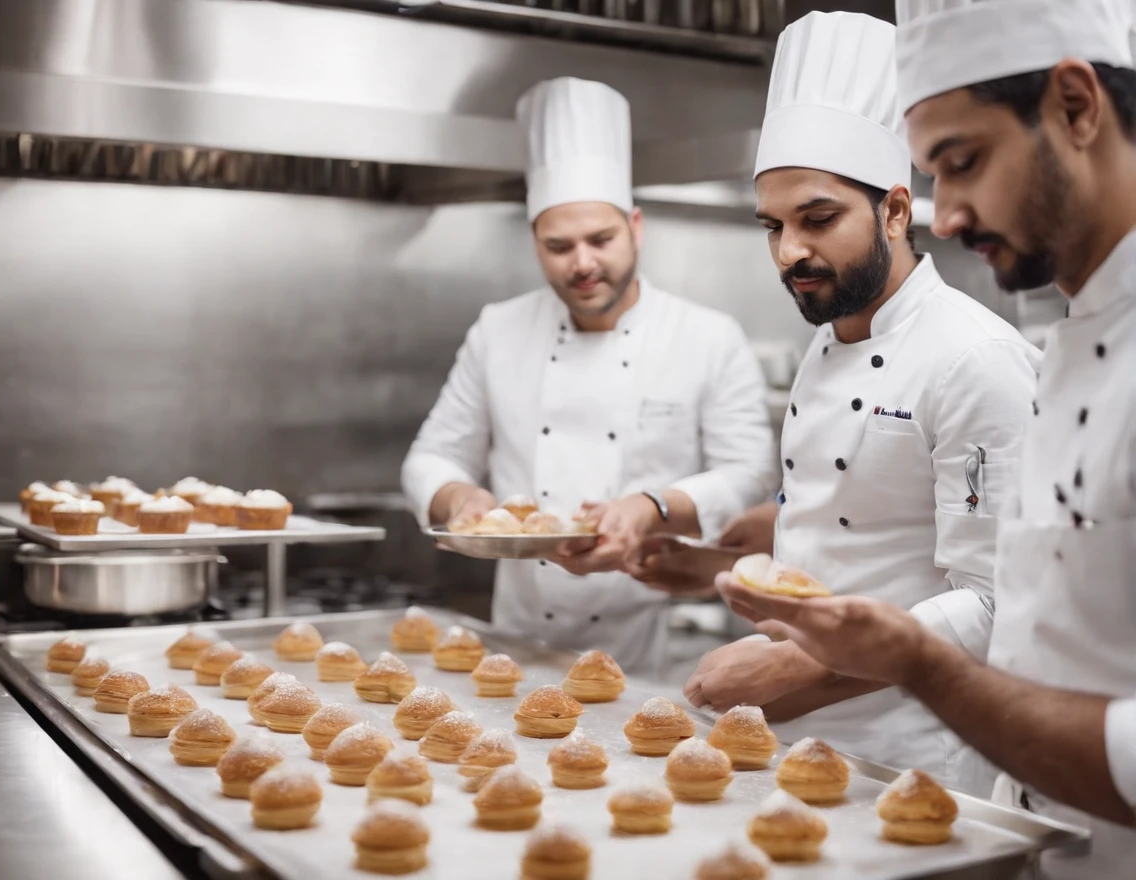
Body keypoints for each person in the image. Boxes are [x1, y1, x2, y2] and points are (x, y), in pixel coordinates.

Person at [721, 0, 1136, 875]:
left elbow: (994, 608)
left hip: (951, 779)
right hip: (1036, 830)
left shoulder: (985, 355)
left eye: (964, 162)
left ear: (1076, 107)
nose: (945, 216)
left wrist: (864, 662)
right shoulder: (1074, 349)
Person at [637, 11, 1041, 792]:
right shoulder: (827, 341)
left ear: (895, 210)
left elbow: (994, 604)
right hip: (794, 746)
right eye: (773, 227)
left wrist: (792, 663)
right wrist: (720, 570)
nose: (790, 252)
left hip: (916, 763)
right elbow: (852, 540)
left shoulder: (974, 360)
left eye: (818, 219)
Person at [400, 77, 777, 677]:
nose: (582, 264)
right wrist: (461, 499)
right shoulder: (498, 330)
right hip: (515, 647)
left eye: (601, 239)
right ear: (535, 243)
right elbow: (429, 457)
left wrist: (653, 507)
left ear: (636, 226)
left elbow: (750, 470)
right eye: (559, 245)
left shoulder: (706, 335)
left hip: (648, 654)